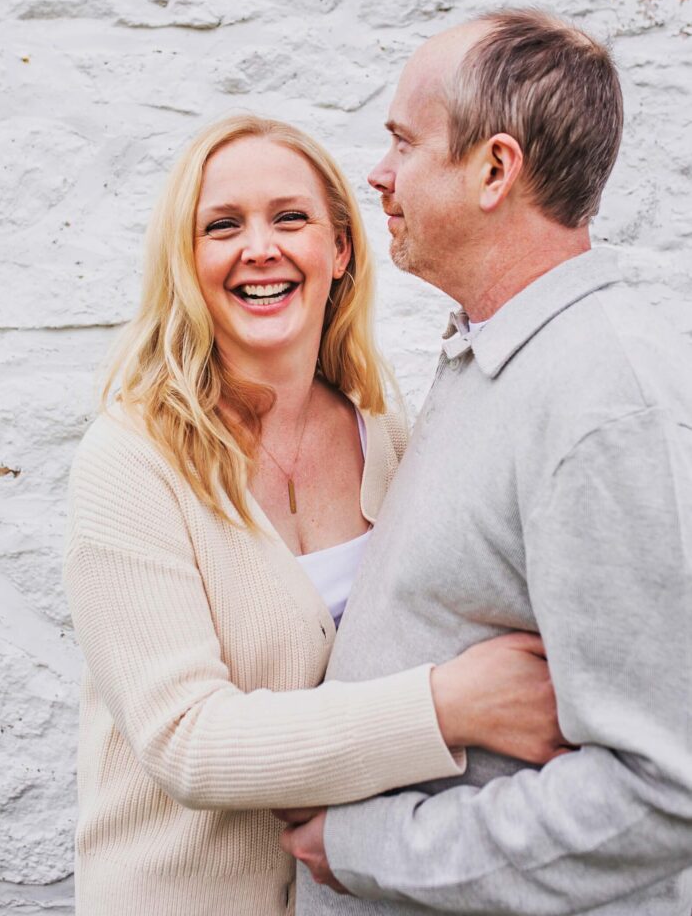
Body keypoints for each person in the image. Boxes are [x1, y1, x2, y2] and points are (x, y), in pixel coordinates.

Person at [62, 113, 567, 916]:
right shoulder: (131, 462)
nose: (258, 247)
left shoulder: (388, 434)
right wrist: (450, 706)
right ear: (185, 263)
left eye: (289, 218)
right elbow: (187, 743)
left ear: (338, 251)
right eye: (221, 226)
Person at [285, 10, 692, 914]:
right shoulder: (495, 356)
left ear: (494, 170)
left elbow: (664, 790)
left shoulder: (602, 402)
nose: (377, 175)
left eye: (402, 142)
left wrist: (365, 844)